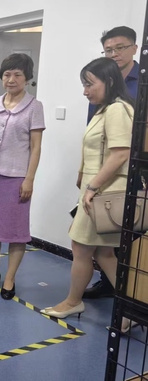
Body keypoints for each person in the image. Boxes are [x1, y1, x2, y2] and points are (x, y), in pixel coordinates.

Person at [41, 57, 134, 330]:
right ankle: (131, 309)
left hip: (103, 192)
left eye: (89, 84)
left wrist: (92, 186)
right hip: (98, 190)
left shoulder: (117, 109)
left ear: (110, 81)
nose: (85, 91)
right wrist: (84, 177)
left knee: (81, 248)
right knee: (104, 254)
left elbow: (120, 153)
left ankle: (73, 301)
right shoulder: (105, 109)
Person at [0, 53, 45, 300]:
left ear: (27, 78)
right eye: (6, 74)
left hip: (16, 178)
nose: (11, 79)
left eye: (17, 74)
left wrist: (29, 179)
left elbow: (36, 147)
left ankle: (10, 278)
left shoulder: (34, 107)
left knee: (16, 231)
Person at [84, 26, 140, 300]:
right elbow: (93, 128)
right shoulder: (100, 82)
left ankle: (132, 297)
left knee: (131, 238)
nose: (114, 54)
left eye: (120, 47)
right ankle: (112, 288)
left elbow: (122, 148)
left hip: (134, 169)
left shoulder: (142, 83)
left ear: (134, 48)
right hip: (103, 173)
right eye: (109, 50)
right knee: (105, 240)